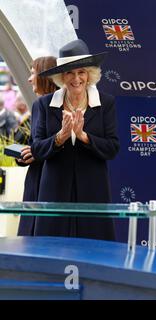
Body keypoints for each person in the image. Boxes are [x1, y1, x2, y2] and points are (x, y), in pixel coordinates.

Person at [31, 39, 120, 241]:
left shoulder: (106, 103)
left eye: (81, 72)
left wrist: (84, 137)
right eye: (70, 72)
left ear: (89, 74)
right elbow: (36, 149)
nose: (76, 78)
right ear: (61, 76)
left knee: (96, 250)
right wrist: (59, 137)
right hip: (53, 189)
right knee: (51, 248)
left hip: (94, 189)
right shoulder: (44, 104)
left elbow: (112, 148)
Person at [16, 56, 58, 236]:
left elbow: (41, 146)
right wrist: (26, 155)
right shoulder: (42, 105)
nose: (29, 78)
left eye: (33, 73)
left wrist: (36, 151)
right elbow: (35, 145)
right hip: (40, 179)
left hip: (43, 183)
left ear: (44, 76)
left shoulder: (42, 105)